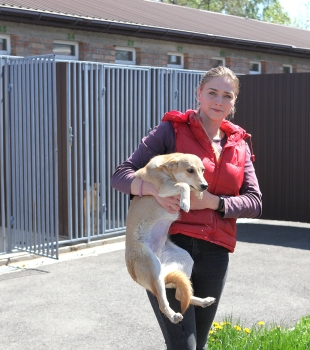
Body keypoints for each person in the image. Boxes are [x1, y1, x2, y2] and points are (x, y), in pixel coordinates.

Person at [111, 65, 262, 350]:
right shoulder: (172, 130)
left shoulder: (239, 144)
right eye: (212, 93)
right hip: (170, 244)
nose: (219, 101)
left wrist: (215, 202)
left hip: (216, 254)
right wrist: (153, 191)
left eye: (227, 96)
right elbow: (121, 175)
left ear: (234, 102)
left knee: (199, 344)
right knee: (184, 347)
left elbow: (255, 202)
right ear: (199, 94)